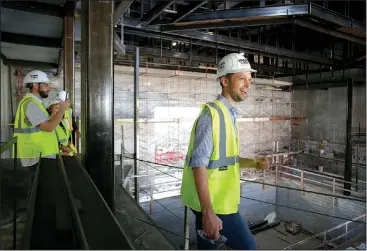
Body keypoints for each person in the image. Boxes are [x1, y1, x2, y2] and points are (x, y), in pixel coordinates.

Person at [180, 53, 269, 250]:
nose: (247, 85)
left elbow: (225, 159)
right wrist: (208, 212)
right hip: (216, 205)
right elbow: (199, 163)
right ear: (224, 80)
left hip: (211, 202)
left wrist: (254, 163)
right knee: (249, 247)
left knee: (207, 247)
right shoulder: (211, 115)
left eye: (249, 80)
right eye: (241, 79)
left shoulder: (228, 114)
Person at [13, 70, 70, 183]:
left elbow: (45, 130)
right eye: (45, 85)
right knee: (41, 192)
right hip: (36, 156)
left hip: (40, 154)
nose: (49, 88)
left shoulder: (37, 104)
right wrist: (62, 109)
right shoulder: (31, 104)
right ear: (35, 85)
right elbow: (49, 127)